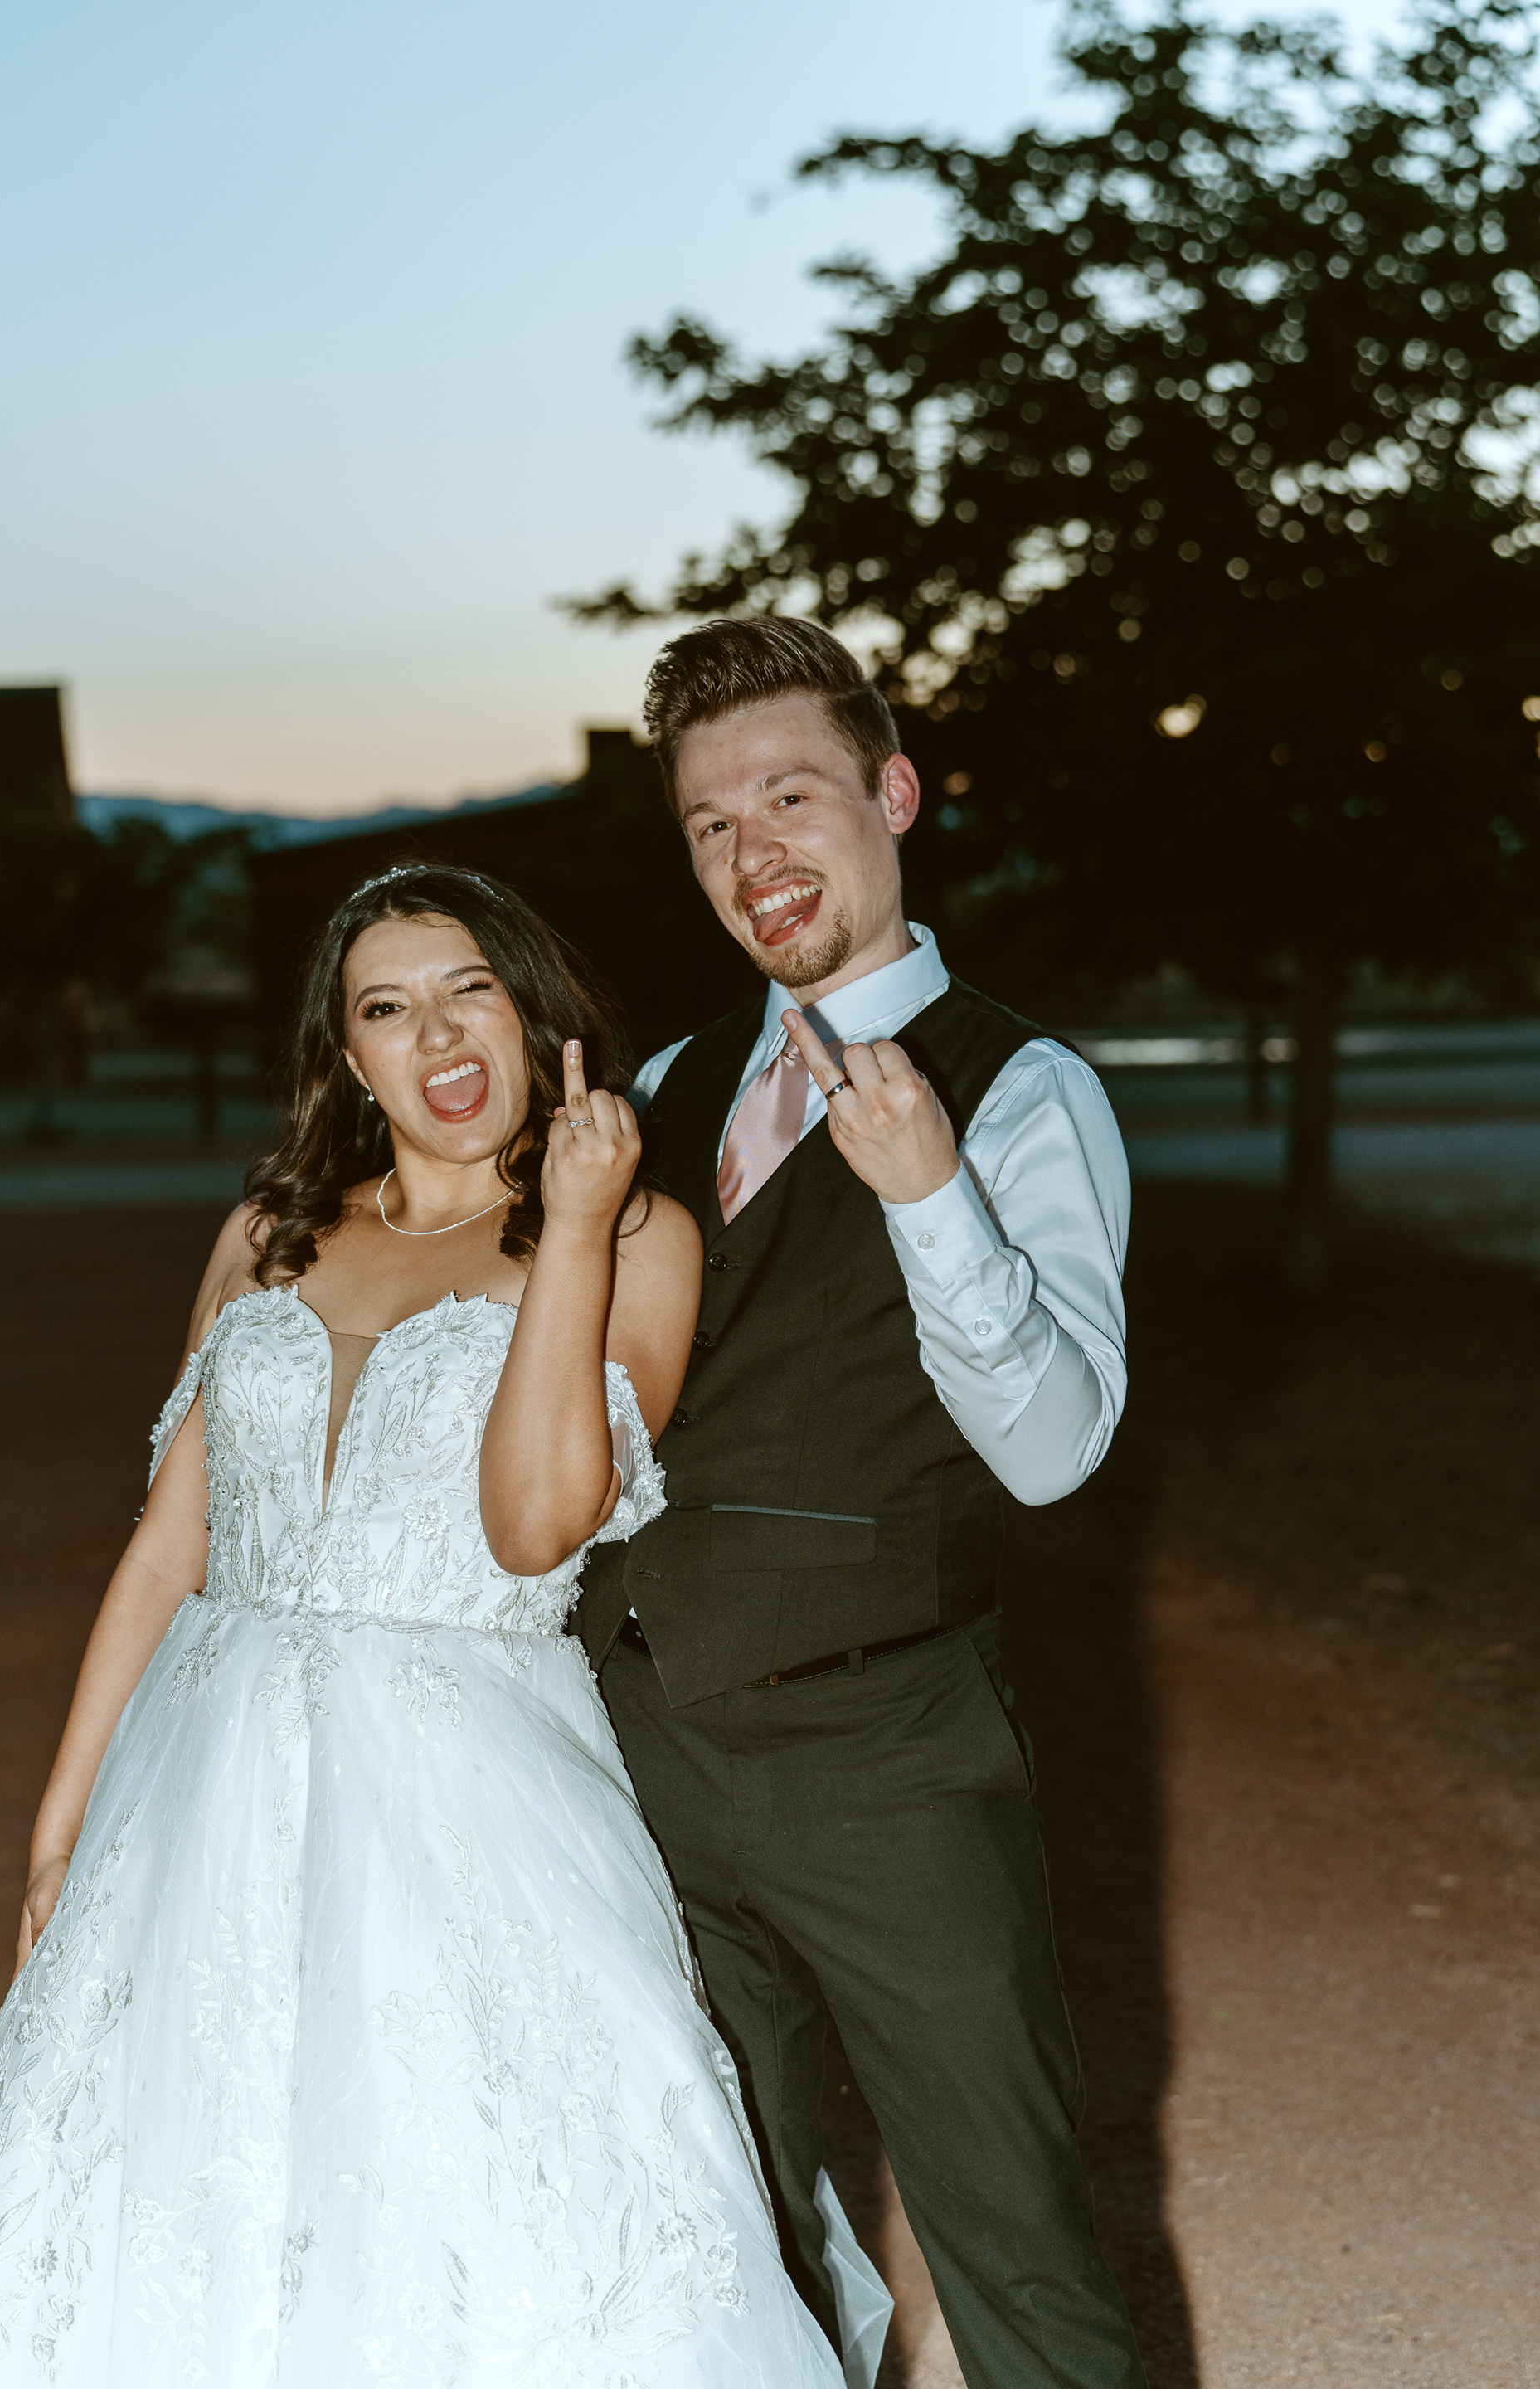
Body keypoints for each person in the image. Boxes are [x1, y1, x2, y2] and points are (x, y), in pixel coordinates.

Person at [0, 864, 887, 2387]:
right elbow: (166, 1547)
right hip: (200, 1784)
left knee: (475, 2170)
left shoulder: (637, 1232)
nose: (436, 1033)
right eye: (387, 1007)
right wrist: (63, 1822)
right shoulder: (268, 1229)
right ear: (349, 1053)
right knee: (186, 2152)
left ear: (530, 1009)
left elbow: (536, 1523)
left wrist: (571, 1229)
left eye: (468, 988)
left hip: (464, 1790)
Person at [571, 620, 1149, 2388]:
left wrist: (928, 1199)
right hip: (645, 1746)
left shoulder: (1027, 1089)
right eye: (708, 821)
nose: (755, 856)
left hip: (887, 1755)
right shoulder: (665, 1090)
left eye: (793, 795)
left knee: (1015, 2241)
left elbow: (1053, 1450)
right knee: (720, 2234)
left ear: (893, 797)